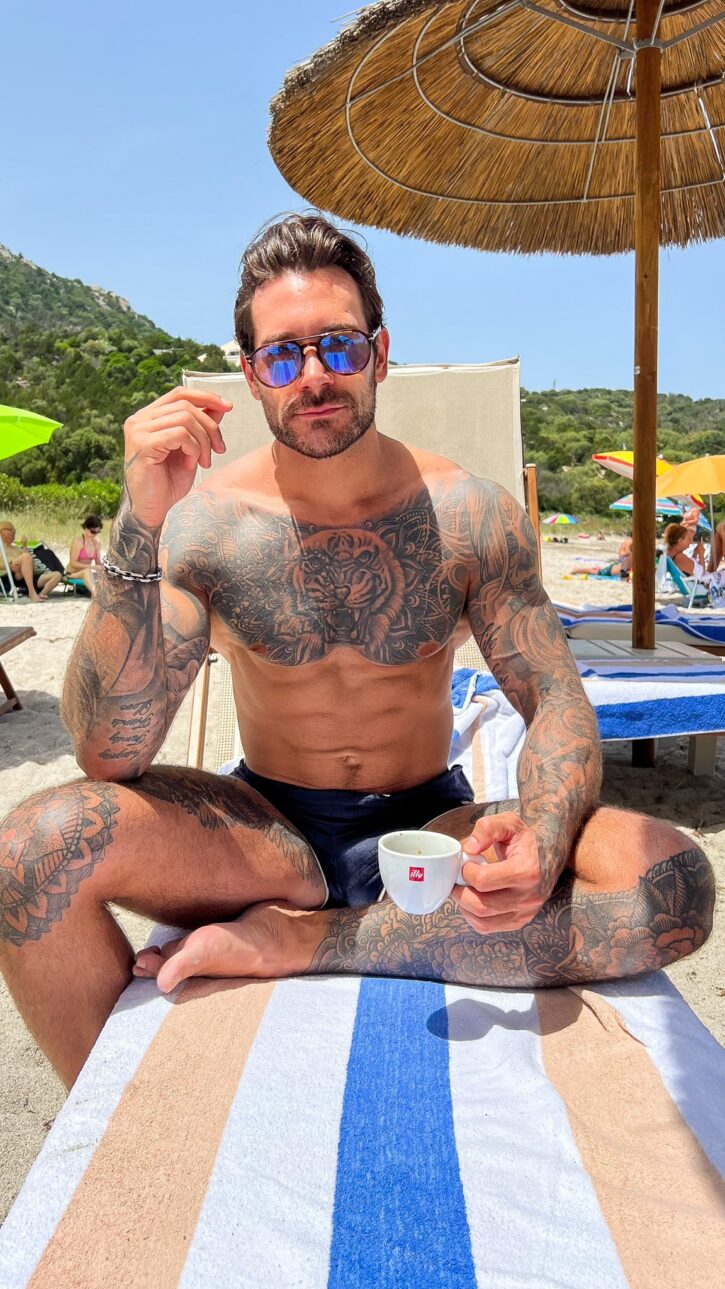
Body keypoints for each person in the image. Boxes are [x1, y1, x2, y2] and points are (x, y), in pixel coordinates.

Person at [0, 215, 714, 1089]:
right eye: (283, 355)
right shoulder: (203, 527)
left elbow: (555, 701)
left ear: (378, 354)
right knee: (32, 851)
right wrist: (137, 522)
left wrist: (543, 830)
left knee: (672, 881)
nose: (314, 377)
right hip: (267, 835)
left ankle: (308, 942)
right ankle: (117, 1129)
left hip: (428, 828)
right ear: (252, 376)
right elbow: (110, 750)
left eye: (337, 347)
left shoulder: (468, 515)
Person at [0, 521, 62, 600]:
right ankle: (32, 592)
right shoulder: (1, 549)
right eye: (12, 530)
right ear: (3, 532)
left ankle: (41, 594)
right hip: (14, 576)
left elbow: (29, 562)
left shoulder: (17, 549)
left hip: (30, 577)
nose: (14, 534)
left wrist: (24, 546)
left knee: (58, 575)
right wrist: (10, 566)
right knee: (25, 557)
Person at [65, 514, 103, 595]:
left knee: (108, 574)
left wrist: (103, 568)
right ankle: (96, 595)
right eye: (93, 531)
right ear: (86, 528)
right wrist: (91, 567)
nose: (95, 534)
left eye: (98, 531)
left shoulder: (97, 543)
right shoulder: (78, 542)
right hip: (72, 573)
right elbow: (73, 563)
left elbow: (98, 563)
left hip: (87, 572)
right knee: (87, 571)